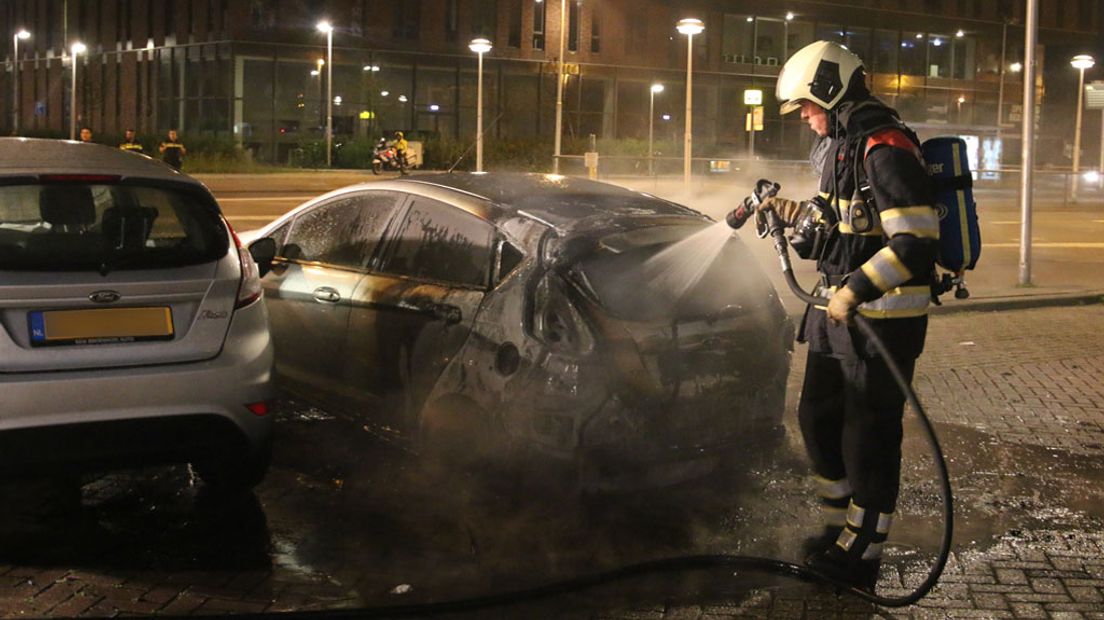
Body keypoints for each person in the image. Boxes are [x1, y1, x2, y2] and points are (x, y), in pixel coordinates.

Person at [756, 41, 939, 589]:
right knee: (817, 417)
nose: (806, 120)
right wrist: (791, 219)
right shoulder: (837, 149)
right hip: (837, 317)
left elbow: (917, 241)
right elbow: (829, 235)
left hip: (882, 322)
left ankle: (863, 551)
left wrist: (856, 288)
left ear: (831, 93)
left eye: (807, 108)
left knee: (869, 437)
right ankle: (838, 526)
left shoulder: (884, 148)